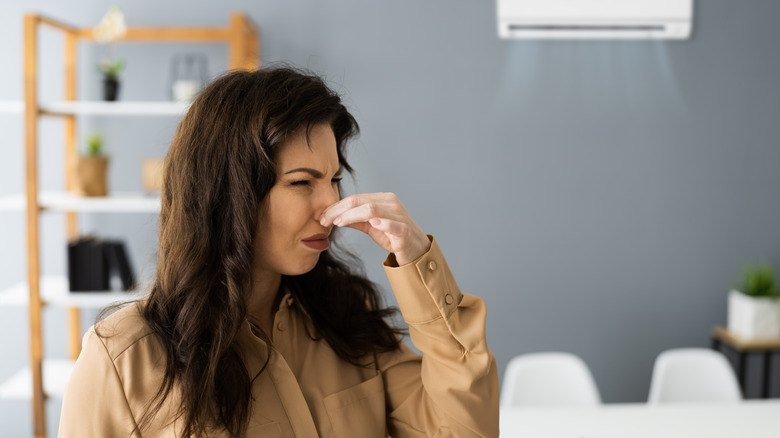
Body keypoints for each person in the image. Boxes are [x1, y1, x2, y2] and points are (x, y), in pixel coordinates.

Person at [59, 67, 499, 437]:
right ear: (230, 193)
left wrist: (419, 262)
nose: (331, 206)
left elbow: (465, 430)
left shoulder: (347, 322)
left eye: (334, 180)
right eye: (303, 182)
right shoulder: (123, 359)